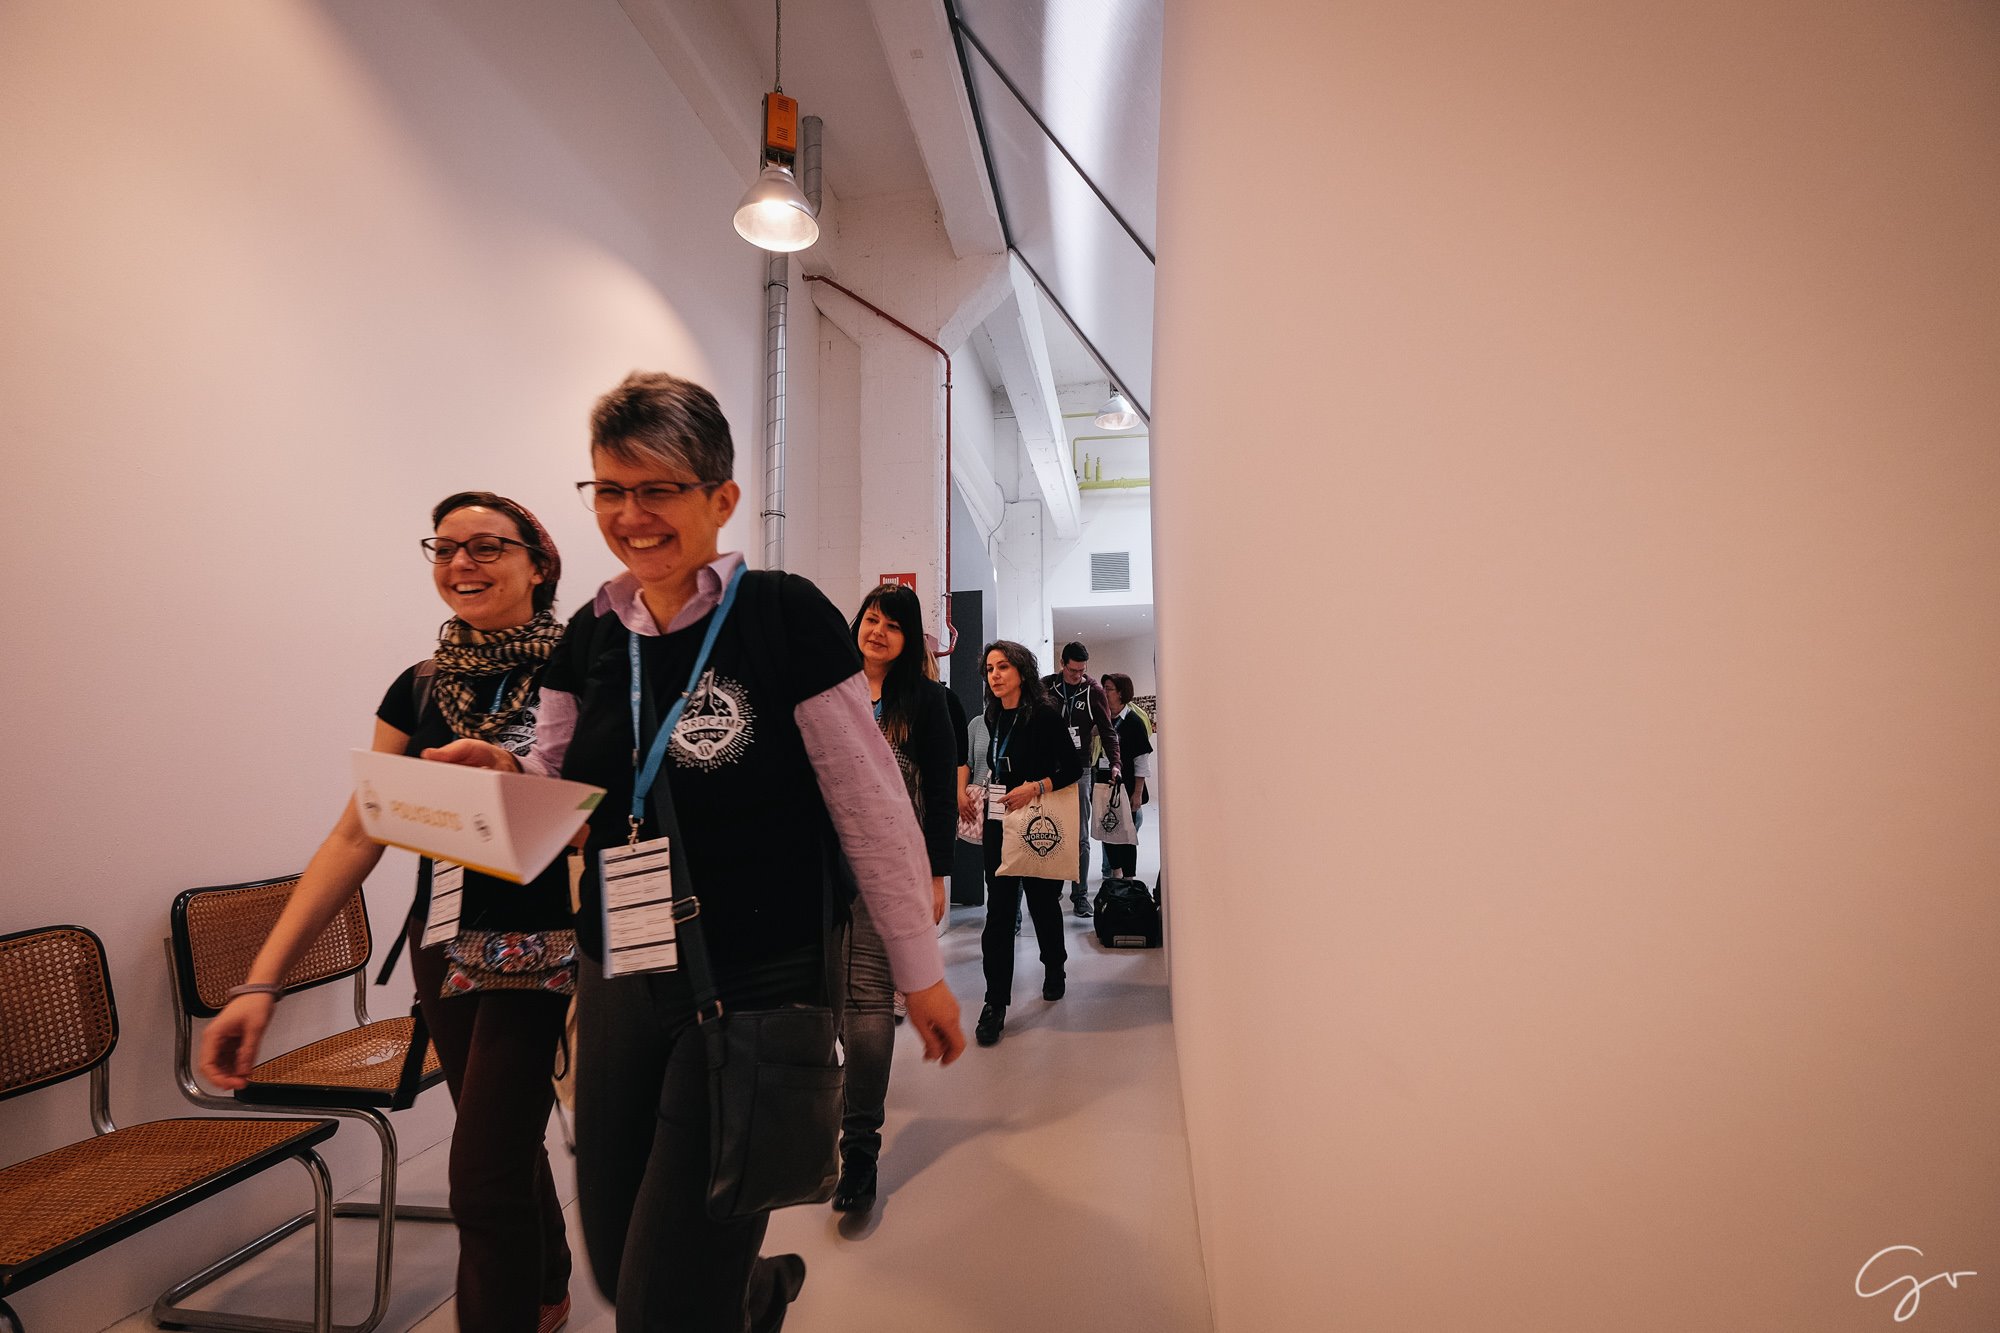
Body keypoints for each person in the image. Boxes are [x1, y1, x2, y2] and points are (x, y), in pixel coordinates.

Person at [426, 371, 964, 1333]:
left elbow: (871, 804)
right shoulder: (586, 636)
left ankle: (731, 1294)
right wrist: (493, 776)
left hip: (758, 980)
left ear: (720, 497)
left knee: (661, 1304)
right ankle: (755, 1294)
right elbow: (558, 795)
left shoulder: (784, 616)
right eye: (610, 490)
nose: (632, 515)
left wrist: (917, 973)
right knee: (616, 1252)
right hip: (622, 972)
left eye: (659, 488)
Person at [199, 491, 575, 1333]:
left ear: (537, 562)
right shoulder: (420, 687)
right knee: (501, 1137)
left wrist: (519, 781)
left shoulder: (579, 671)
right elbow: (357, 830)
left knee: (478, 1174)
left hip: (546, 939)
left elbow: (609, 807)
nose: (461, 563)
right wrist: (262, 983)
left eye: (486, 546)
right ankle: (548, 1283)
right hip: (443, 942)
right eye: (444, 547)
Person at [836, 582, 956, 1214]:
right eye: (871, 619)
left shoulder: (927, 702)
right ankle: (818, 1123)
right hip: (824, 871)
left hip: (891, 871)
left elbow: (940, 792)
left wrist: (937, 875)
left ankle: (859, 1150)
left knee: (869, 1006)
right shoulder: (832, 692)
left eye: (893, 626)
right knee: (822, 1003)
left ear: (909, 641)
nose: (878, 631)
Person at [961, 640, 1082, 1046]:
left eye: (1003, 668)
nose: (994, 675)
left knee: (1043, 904)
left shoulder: (1045, 715)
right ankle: (995, 1002)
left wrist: (1035, 786)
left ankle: (1055, 967)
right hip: (1000, 818)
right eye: (990, 669)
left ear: (1021, 672)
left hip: (1037, 819)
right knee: (998, 914)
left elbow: (1073, 767)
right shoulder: (991, 716)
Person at [1041, 641, 1119, 916]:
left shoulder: (1092, 690)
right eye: (1074, 671)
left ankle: (1080, 895)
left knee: (1080, 837)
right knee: (1048, 830)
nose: (1079, 675)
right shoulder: (1046, 688)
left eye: (1082, 670)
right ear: (1063, 665)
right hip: (1049, 771)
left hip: (1080, 770)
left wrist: (1115, 764)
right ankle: (1051, 891)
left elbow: (1108, 730)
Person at [1097, 672, 1154, 881]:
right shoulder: (1103, 719)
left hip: (1127, 786)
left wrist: (1137, 793)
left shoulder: (1133, 722)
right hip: (1105, 787)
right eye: (1103, 688)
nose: (1104, 692)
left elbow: (1141, 761)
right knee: (1108, 831)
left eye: (1109, 689)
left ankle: (1128, 879)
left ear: (1121, 693)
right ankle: (1114, 875)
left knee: (1127, 835)